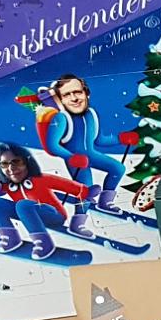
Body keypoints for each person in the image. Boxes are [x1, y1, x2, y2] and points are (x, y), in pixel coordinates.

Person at [0, 144, 88, 260]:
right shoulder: (3, 180)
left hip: (53, 216)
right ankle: (10, 237)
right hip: (26, 214)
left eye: (16, 162)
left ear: (26, 161)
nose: (11, 168)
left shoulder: (39, 178)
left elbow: (75, 188)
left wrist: (87, 194)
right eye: (4, 164)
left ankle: (44, 242)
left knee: (23, 205)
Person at [39, 74, 125, 223]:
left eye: (78, 92)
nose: (74, 98)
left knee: (118, 169)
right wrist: (71, 157)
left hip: (91, 155)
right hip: (76, 161)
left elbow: (100, 140)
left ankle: (105, 202)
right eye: (67, 95)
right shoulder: (61, 118)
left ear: (86, 93)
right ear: (60, 100)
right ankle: (78, 222)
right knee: (86, 189)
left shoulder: (92, 114)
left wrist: (120, 139)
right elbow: (53, 145)